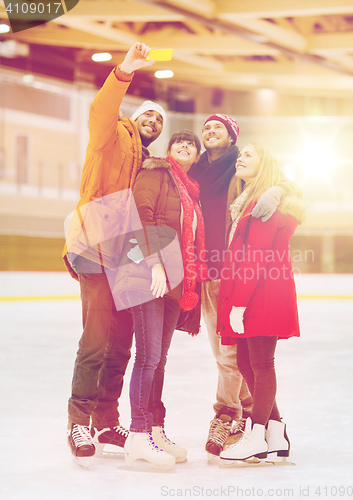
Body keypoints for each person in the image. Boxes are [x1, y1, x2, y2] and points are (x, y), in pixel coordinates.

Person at [62, 42, 167, 463]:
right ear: (134, 117)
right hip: (92, 245)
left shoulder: (149, 164)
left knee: (121, 343)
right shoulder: (112, 136)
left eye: (159, 119)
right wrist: (124, 71)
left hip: (127, 252)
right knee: (96, 340)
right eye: (148, 114)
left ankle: (107, 421)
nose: (153, 121)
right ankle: (79, 421)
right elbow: (100, 111)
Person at [188, 114, 302, 457]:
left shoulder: (255, 193)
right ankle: (273, 430)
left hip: (248, 287)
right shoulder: (196, 172)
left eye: (218, 127)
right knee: (239, 357)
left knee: (246, 360)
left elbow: (256, 253)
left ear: (233, 137)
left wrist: (279, 188)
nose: (210, 131)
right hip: (213, 277)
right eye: (205, 127)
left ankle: (243, 422)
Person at [117, 130, 206, 469]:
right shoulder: (155, 173)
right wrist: (153, 263)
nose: (185, 146)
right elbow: (143, 215)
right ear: (168, 150)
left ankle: (154, 427)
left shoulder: (190, 192)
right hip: (148, 275)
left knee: (160, 359)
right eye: (179, 142)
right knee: (148, 357)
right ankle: (138, 435)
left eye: (191, 145)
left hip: (174, 281)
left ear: (196, 156)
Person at [217, 143, 306, 463]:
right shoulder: (251, 202)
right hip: (256, 291)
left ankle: (256, 435)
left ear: (264, 163)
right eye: (241, 154)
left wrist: (238, 304)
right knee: (244, 362)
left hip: (263, 292)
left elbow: (255, 257)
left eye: (249, 155)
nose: (241, 158)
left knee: (261, 363)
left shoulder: (264, 205)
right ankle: (276, 430)